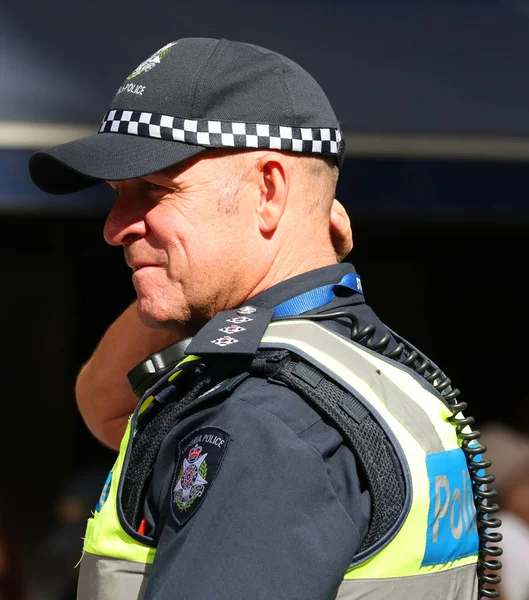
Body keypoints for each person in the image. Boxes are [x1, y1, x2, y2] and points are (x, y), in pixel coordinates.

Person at [29, 37, 489, 600]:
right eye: (117, 194)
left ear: (268, 191)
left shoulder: (262, 421)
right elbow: (104, 404)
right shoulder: (369, 365)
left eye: (154, 189)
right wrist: (177, 269)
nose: (114, 226)